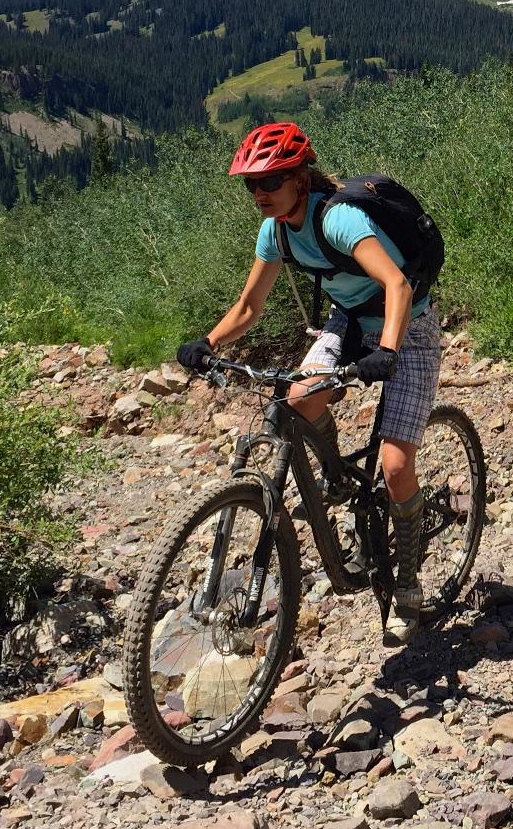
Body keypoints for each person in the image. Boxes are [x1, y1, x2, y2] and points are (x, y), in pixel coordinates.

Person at [176, 121, 442, 644]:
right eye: (251, 185)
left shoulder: (339, 219)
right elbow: (251, 306)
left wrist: (386, 351)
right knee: (298, 397)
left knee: (394, 464)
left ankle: (408, 585)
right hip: (348, 320)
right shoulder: (273, 231)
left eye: (270, 181)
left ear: (300, 177)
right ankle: (340, 479)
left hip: (406, 325)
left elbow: (395, 283)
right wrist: (208, 343)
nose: (259, 193)